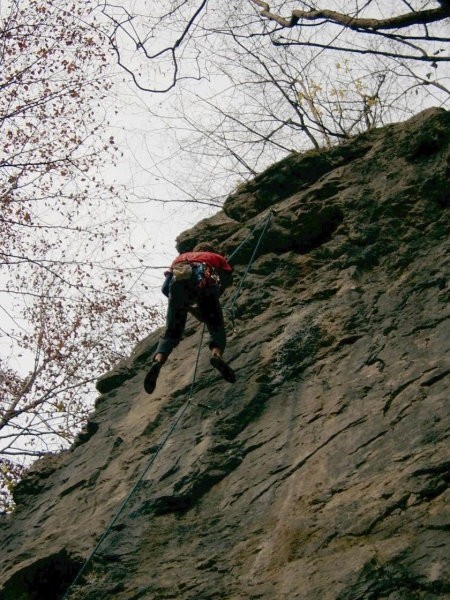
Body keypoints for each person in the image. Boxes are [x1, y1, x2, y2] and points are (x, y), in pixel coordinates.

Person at [144, 242, 236, 394]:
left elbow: (165, 288)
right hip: (205, 287)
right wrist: (212, 302)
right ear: (211, 250)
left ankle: (158, 361)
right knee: (216, 327)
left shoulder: (180, 258)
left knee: (171, 333)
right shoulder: (216, 257)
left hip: (177, 290)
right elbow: (226, 278)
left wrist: (183, 306)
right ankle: (216, 356)